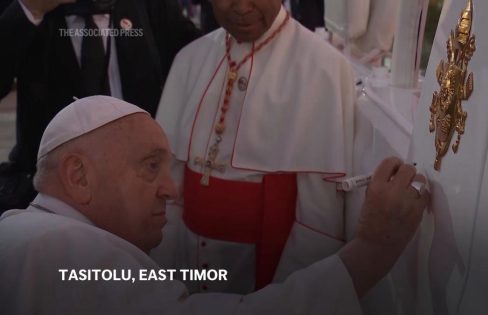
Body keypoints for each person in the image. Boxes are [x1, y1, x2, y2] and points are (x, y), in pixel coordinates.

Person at [0, 95, 429, 314]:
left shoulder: (28, 233)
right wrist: (373, 248)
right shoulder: (63, 249)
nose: (172, 190)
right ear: (78, 177)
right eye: (151, 167)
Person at [153, 0, 358, 294]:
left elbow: (320, 220)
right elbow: (168, 186)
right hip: (184, 257)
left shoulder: (322, 66)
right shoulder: (190, 58)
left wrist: (286, 299)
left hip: (267, 269)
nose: (242, 6)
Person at [0, 0, 201, 212]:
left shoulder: (150, 8)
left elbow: (201, 55)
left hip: (139, 185)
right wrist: (31, 10)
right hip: (51, 189)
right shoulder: (26, 8)